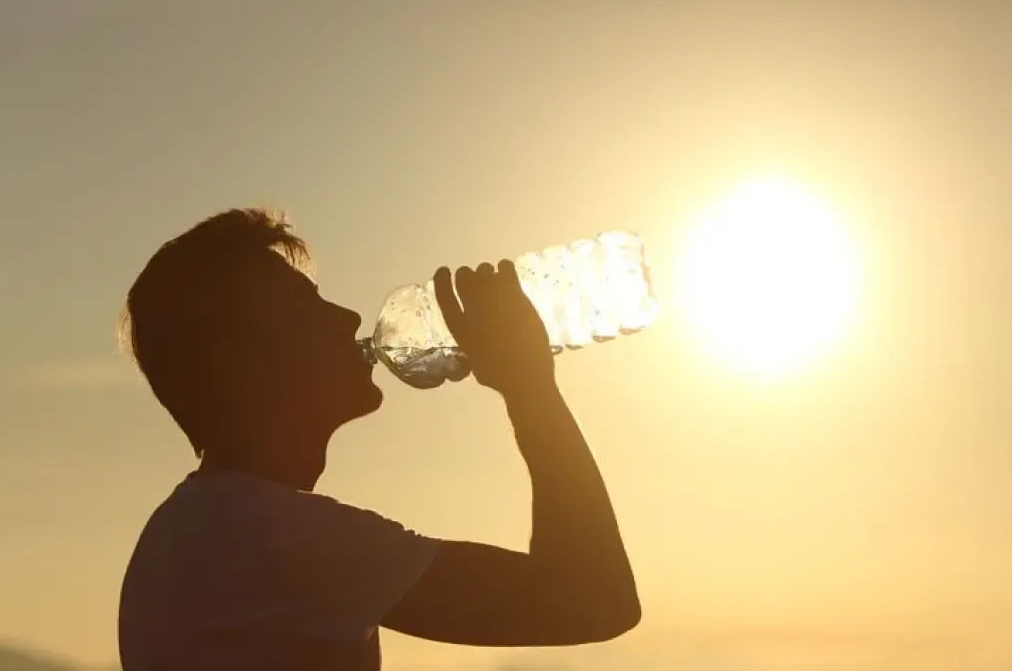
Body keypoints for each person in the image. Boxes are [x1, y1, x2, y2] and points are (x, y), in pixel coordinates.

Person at [116, 208, 641, 671]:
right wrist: (529, 386)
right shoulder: (258, 535)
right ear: (239, 364)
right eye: (304, 306)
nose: (347, 318)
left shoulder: (199, 528)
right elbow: (592, 599)